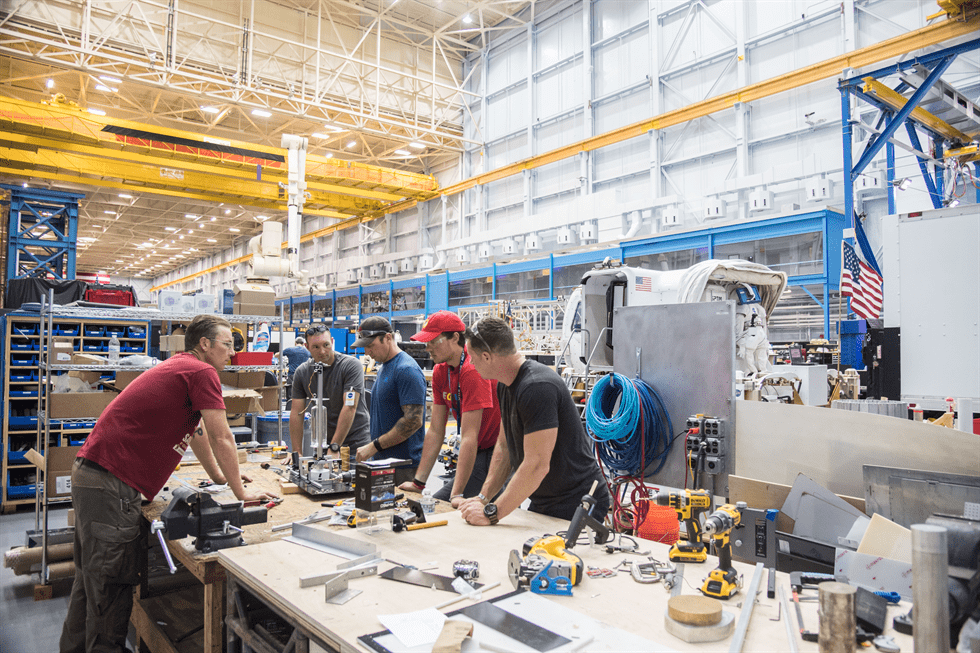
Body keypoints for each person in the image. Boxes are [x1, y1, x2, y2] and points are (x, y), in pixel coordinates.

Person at [60, 315, 277, 653]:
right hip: (112, 483)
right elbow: (223, 437)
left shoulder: (182, 367)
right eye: (227, 345)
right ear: (204, 344)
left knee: (90, 582)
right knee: (111, 583)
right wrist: (241, 493)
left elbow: (198, 433)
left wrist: (221, 478)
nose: (232, 354)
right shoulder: (202, 371)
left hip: (96, 478)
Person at [459, 317, 610, 527]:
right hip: (545, 498)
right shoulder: (505, 386)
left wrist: (492, 513)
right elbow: (504, 447)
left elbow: (537, 464)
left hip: (577, 500)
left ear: (486, 357)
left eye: (472, 358)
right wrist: (483, 499)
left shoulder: (536, 387)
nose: (471, 364)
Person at [398, 311, 501, 508]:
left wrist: (456, 494)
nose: (427, 348)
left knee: (441, 505)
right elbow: (436, 429)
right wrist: (418, 482)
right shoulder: (440, 370)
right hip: (477, 449)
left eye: (433, 341)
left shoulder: (472, 369)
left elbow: (470, 436)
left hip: (494, 452)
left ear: (455, 338)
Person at [352, 317, 425, 485]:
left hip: (403, 466)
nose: (367, 353)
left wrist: (374, 446)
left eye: (370, 346)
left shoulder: (406, 369)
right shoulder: (385, 366)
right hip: (384, 462)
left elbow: (413, 421)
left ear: (388, 338)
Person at [290, 325, 370, 463]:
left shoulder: (350, 366)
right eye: (315, 347)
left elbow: (349, 406)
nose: (322, 351)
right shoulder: (302, 372)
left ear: (332, 342)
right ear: (307, 347)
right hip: (322, 446)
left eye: (326, 345)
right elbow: (297, 412)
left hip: (354, 447)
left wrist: (334, 447)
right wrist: (297, 453)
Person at [281, 336, 311, 400]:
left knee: (290, 393)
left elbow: (277, 354)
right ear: (303, 344)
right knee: (302, 393)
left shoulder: (290, 350)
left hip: (292, 375)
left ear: (295, 343)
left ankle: (289, 407)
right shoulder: (307, 352)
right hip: (304, 375)